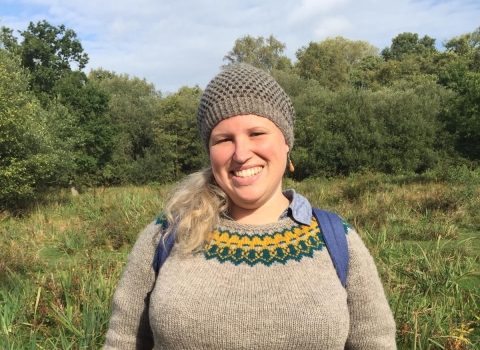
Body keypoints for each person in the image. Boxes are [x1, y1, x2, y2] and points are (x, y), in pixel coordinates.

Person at [104, 63, 397, 349]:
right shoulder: (167, 235)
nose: (241, 154)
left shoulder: (336, 239)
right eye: (224, 139)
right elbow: (124, 341)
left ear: (286, 143)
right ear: (209, 151)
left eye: (256, 133)